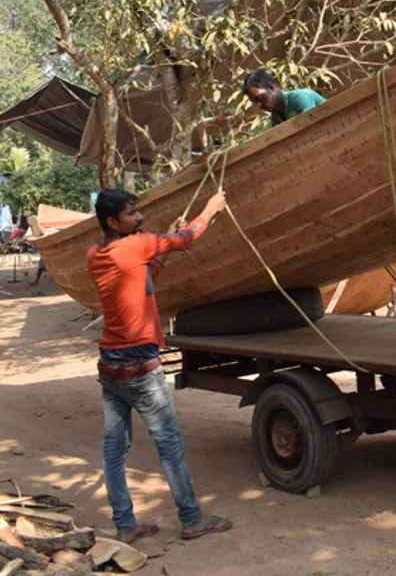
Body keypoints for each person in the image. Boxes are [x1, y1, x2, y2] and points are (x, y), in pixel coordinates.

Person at [89, 187, 233, 544]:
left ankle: (126, 525)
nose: (139, 218)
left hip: (110, 366)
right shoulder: (136, 245)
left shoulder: (96, 254)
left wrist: (161, 239)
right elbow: (189, 238)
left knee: (114, 450)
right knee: (169, 445)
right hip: (140, 365)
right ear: (112, 221)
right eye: (131, 214)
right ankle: (192, 519)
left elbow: (145, 278)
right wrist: (211, 208)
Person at [241, 69, 325, 128]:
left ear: (271, 88)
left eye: (260, 97)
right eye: (255, 102)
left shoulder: (299, 98)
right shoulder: (276, 117)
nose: (259, 104)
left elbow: (313, 126)